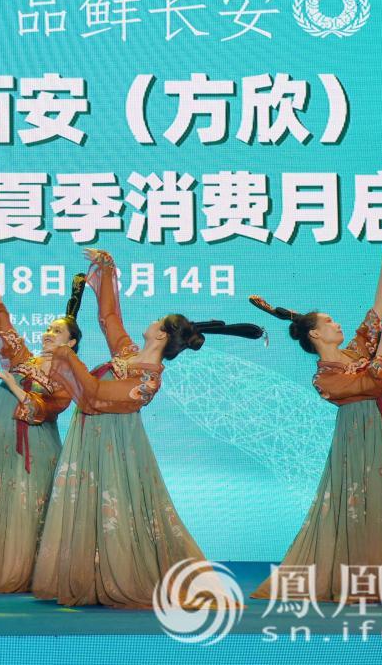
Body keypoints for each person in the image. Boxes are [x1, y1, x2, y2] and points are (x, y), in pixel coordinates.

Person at [22, 247, 262, 608]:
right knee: (87, 507)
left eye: (158, 320)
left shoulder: (148, 380)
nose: (150, 320)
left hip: (116, 447)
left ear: (162, 336)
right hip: (89, 438)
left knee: (115, 508)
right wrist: (106, 271)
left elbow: (96, 394)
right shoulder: (127, 353)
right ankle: (90, 575)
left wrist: (66, 356)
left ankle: (119, 575)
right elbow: (108, 317)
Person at [249, 237, 382, 602]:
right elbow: (377, 381)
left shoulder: (354, 351)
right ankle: (366, 579)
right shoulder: (324, 377)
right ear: (315, 334)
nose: (337, 324)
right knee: (365, 501)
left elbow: (377, 309)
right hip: (361, 440)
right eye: (329, 322)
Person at [0, 256, 78, 592]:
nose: (49, 333)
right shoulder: (23, 357)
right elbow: (3, 320)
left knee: (29, 499)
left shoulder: (69, 375)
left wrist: (16, 386)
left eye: (57, 331)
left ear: (71, 343)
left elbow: (47, 409)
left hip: (35, 440)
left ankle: (28, 569)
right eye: (48, 328)